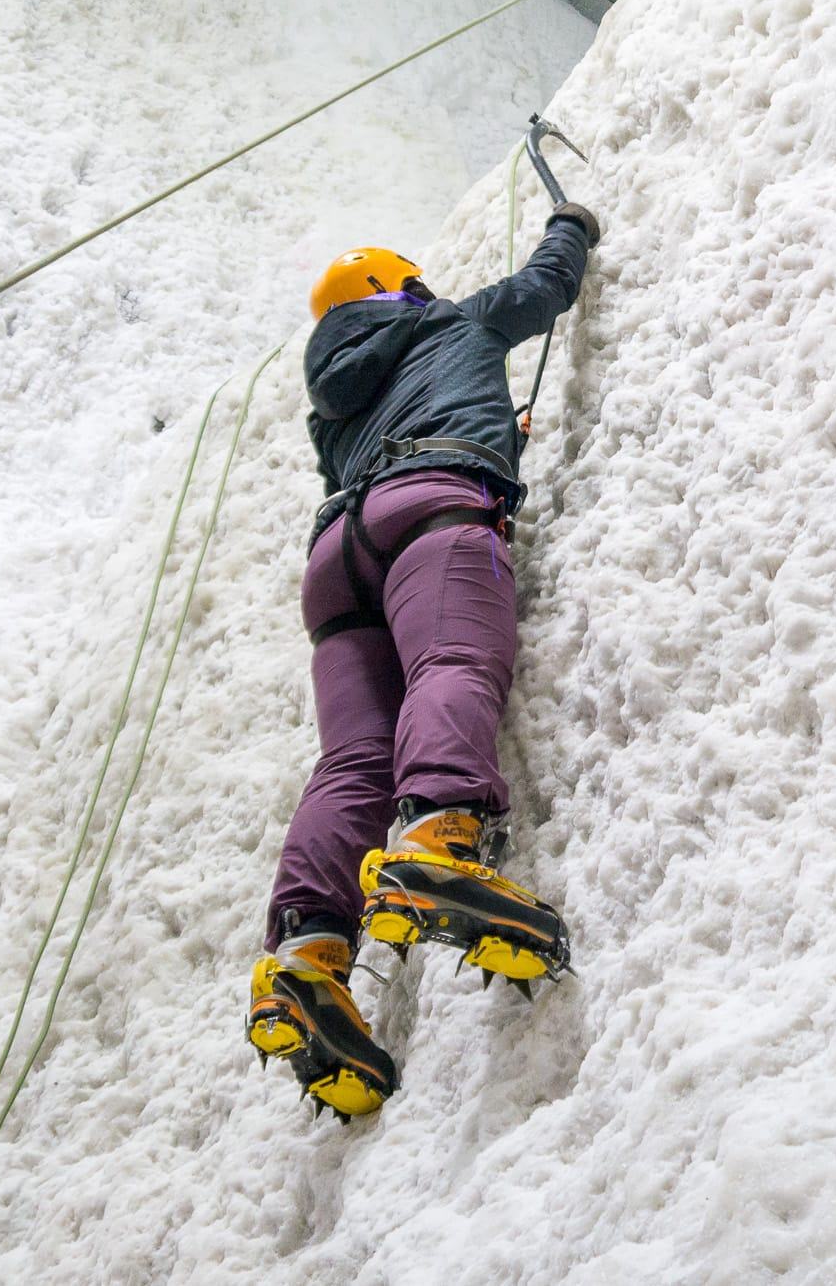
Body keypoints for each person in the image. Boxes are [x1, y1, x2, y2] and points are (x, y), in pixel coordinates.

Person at [246, 201, 601, 1122]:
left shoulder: (333, 403)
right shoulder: (453, 320)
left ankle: (305, 959)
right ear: (397, 288)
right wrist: (571, 224)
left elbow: (402, 418)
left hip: (337, 563)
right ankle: (436, 835)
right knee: (451, 658)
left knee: (354, 760)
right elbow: (545, 289)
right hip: (433, 510)